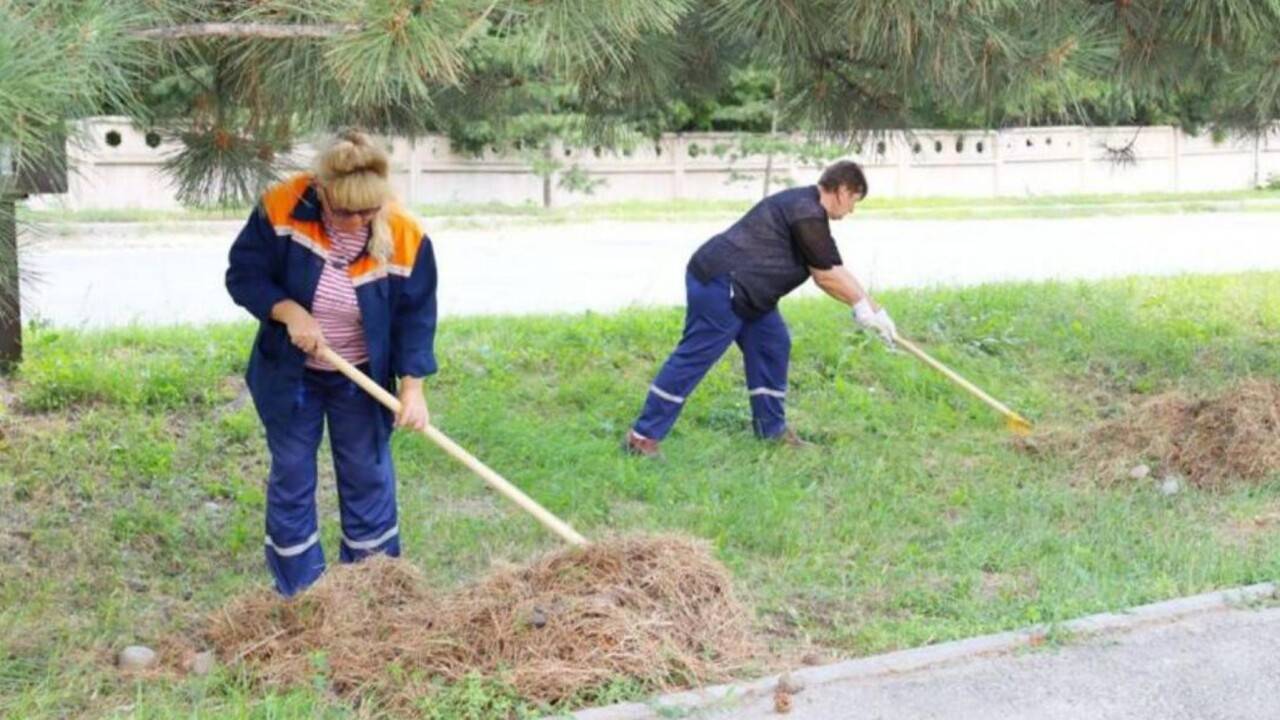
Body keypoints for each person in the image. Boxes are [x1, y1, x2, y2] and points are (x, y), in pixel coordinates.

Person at [226, 130, 438, 596]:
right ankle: (300, 592)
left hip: (360, 376)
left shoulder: (406, 235)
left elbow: (415, 317)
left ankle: (371, 586)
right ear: (320, 191)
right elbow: (244, 274)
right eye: (344, 212)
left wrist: (413, 388)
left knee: (367, 473)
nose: (356, 221)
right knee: (294, 472)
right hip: (290, 372)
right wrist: (288, 310)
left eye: (368, 212)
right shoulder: (282, 206)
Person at [624, 160, 895, 457]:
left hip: (749, 294)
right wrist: (858, 306)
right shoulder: (806, 211)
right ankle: (642, 437)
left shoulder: (808, 210)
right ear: (843, 191)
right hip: (722, 283)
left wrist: (876, 311)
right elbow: (825, 276)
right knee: (696, 356)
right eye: (854, 201)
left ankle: (771, 431)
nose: (852, 210)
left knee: (772, 344)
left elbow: (834, 268)